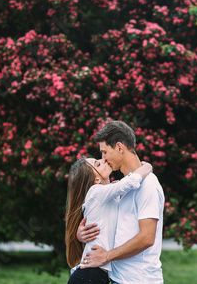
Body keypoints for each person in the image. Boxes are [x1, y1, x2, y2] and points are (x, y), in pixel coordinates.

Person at [78, 121, 165, 284]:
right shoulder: (123, 187)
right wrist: (83, 234)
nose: (103, 159)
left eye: (104, 152)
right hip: (119, 279)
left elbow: (146, 238)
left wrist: (106, 256)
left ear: (119, 147)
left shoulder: (148, 186)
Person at [65, 156, 153, 284]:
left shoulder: (108, 197)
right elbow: (130, 182)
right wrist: (147, 167)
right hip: (90, 276)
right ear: (96, 179)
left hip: (97, 275)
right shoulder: (95, 192)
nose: (103, 160)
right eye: (98, 164)